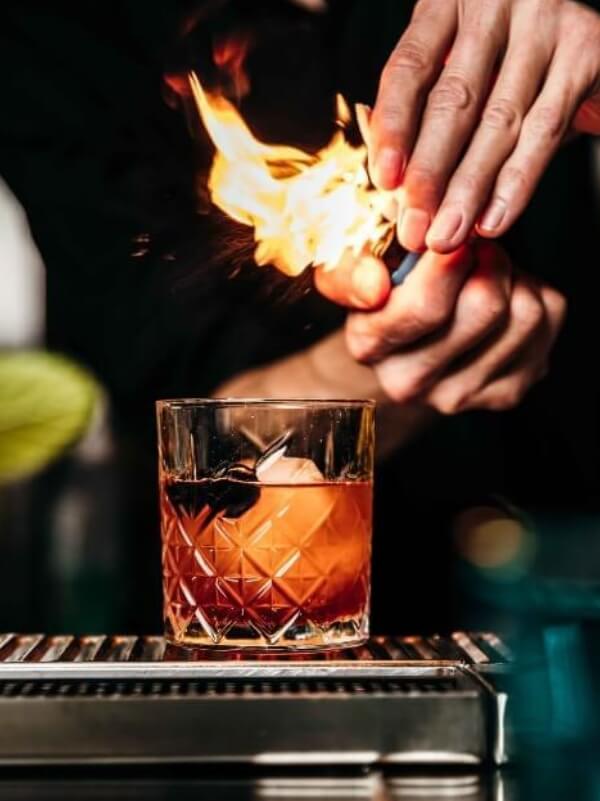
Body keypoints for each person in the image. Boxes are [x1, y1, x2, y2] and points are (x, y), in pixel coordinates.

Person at [0, 0, 598, 634]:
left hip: (560, 585)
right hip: (249, 627)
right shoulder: (52, 40)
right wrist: (397, 350)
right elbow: (201, 434)